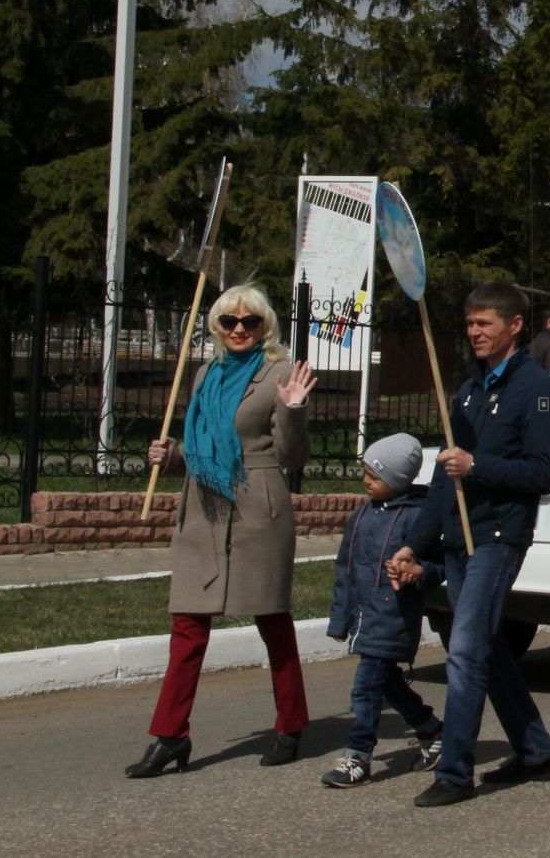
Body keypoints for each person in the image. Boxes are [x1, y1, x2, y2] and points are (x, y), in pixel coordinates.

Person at [128, 285, 317, 779]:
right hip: (203, 508)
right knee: (187, 624)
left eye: (249, 321)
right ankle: (170, 736)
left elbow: (292, 458)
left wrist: (294, 410)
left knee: (271, 619)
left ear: (264, 326)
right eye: (229, 321)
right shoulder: (204, 374)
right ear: (215, 326)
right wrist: (170, 457)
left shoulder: (279, 373)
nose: (238, 329)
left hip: (257, 508)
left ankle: (291, 723)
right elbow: (202, 447)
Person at [389, 282, 550, 807]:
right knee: (484, 646)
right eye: (469, 323)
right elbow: (445, 477)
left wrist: (477, 466)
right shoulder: (467, 389)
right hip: (457, 538)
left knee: (464, 650)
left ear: (513, 326)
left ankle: (455, 771)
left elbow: (543, 473)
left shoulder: (537, 389)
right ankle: (534, 749)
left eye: (484, 323)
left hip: (498, 538)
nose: (474, 332)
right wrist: (415, 545)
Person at [320, 433, 443, 788]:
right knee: (386, 683)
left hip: (392, 618)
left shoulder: (418, 520)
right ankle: (432, 730)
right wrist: (341, 618)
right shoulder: (361, 514)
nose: (366, 482)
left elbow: (436, 567)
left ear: (396, 481)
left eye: (374, 477)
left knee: (366, 688)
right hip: (363, 616)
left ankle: (358, 754)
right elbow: (345, 567)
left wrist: (415, 574)